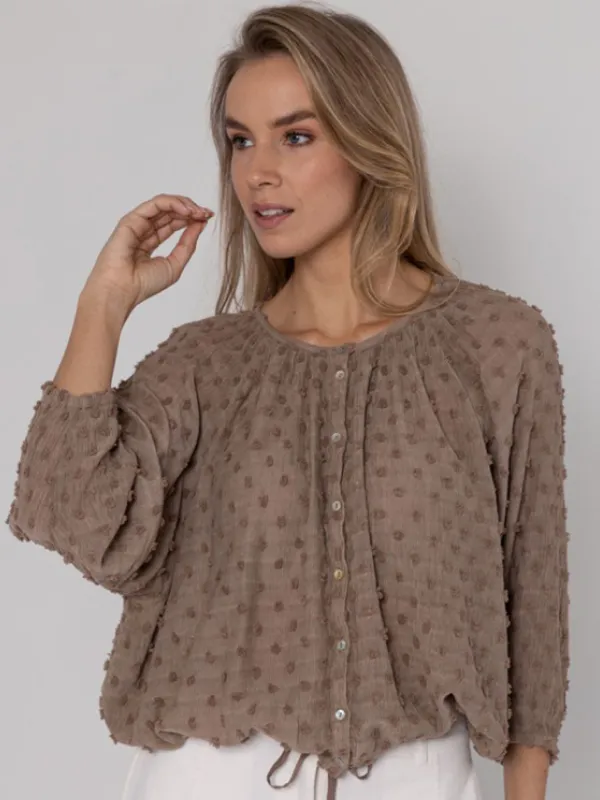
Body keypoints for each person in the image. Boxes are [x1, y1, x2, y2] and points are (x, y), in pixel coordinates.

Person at [6, 4, 569, 800]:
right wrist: (103, 304)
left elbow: (534, 595)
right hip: (205, 776)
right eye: (240, 141)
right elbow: (68, 511)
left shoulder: (498, 345)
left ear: (371, 142)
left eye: (295, 137)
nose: (257, 172)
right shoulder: (205, 364)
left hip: (415, 778)